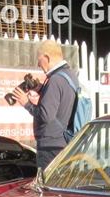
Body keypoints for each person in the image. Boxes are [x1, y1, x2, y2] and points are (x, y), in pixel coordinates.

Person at [11, 40, 80, 169]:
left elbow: (45, 115)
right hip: (63, 142)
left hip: (50, 146)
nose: (38, 64)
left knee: (48, 181)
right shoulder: (69, 75)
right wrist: (41, 89)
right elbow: (61, 103)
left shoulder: (55, 80)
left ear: (47, 58)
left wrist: (26, 103)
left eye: (39, 60)